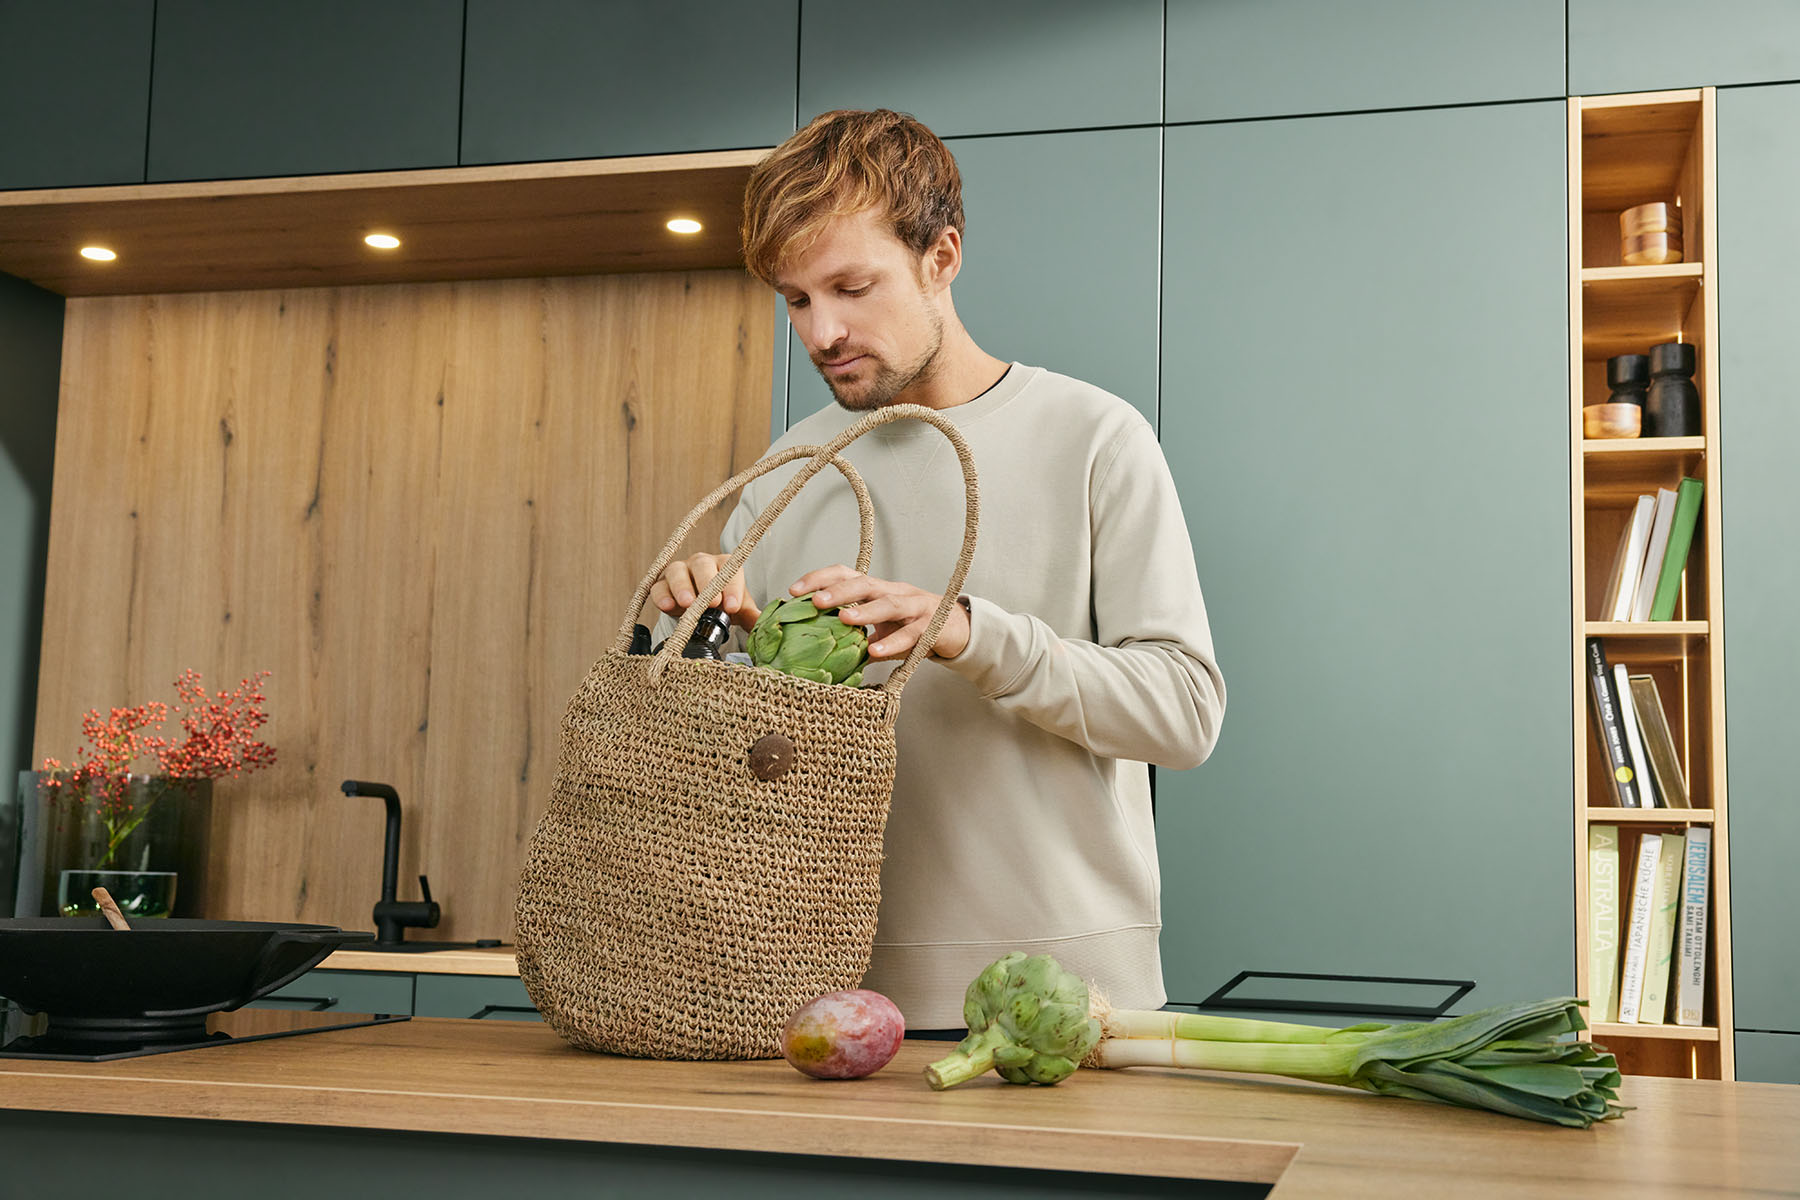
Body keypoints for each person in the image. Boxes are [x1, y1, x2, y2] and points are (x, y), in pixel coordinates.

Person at [650, 109, 1225, 1030]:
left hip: (1071, 998)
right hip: (823, 996)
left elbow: (1186, 713)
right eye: (796, 299)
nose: (823, 331)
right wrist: (695, 640)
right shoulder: (790, 471)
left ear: (942, 256)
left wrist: (970, 633)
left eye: (851, 285)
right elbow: (751, 766)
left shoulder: (1094, 437)